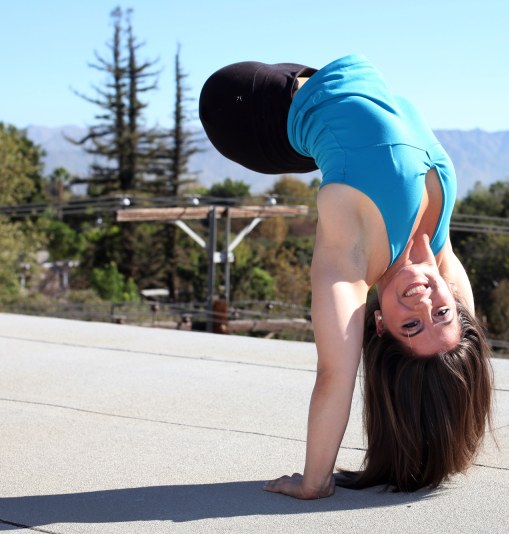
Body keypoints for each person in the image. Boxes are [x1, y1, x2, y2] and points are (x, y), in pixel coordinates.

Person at [199, 54, 493, 499]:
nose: (423, 303)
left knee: (227, 95)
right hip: (317, 79)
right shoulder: (441, 251)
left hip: (245, 108)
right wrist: (454, 421)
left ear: (377, 324)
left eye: (410, 325)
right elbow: (468, 354)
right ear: (457, 309)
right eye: (442, 315)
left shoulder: (353, 260)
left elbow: (335, 373)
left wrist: (315, 482)